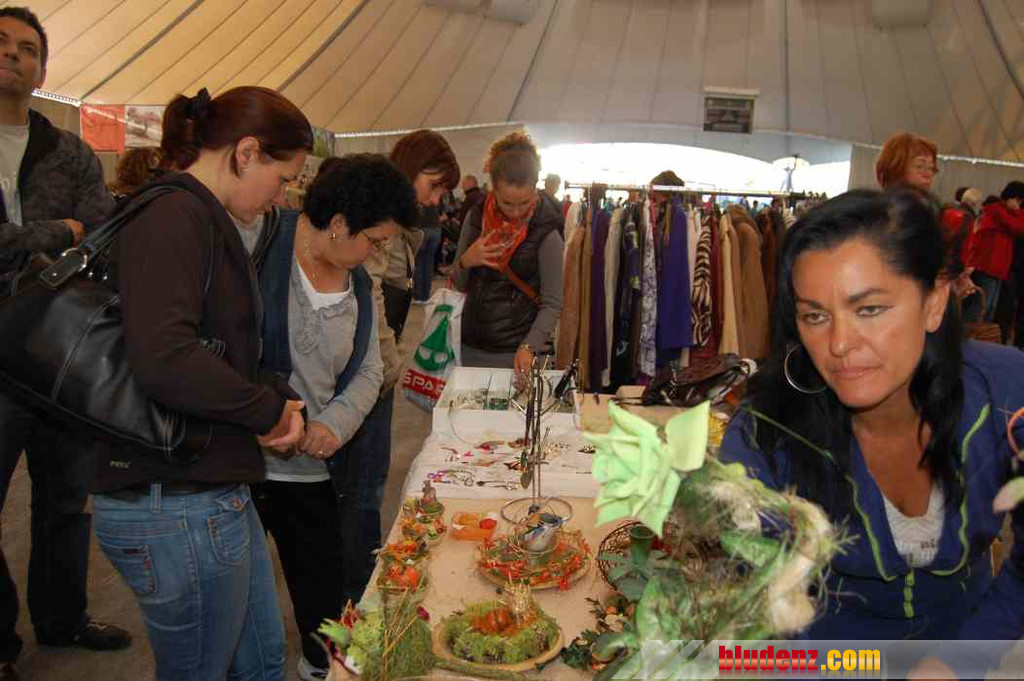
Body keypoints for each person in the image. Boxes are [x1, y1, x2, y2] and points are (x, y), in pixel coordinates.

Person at [720, 189, 1024, 679]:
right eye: (815, 315)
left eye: (869, 309)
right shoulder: (764, 435)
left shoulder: (1006, 396)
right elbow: (751, 607)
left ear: (934, 302)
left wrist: (958, 662)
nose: (839, 344)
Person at [92, 85, 311, 680]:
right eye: (283, 179)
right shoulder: (173, 215)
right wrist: (264, 411)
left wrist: (272, 395)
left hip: (207, 488)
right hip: (173, 502)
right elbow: (165, 357)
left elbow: (215, 346)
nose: (280, 197)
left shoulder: (202, 217)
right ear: (246, 152)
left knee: (261, 662)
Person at [0, 8, 130, 680]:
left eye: (28, 48)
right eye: (1, 43)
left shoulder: (69, 151)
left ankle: (62, 617)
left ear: (42, 68)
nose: (13, 55)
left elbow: (101, 233)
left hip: (57, 351)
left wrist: (68, 236)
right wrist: (57, 233)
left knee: (65, 499)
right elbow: (73, 233)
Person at [254, 154, 417, 680]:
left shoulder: (358, 283)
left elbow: (370, 370)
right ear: (340, 223)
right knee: (240, 610)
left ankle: (318, 669)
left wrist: (333, 425)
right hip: (237, 470)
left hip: (308, 471)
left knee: (322, 601)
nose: (378, 252)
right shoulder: (259, 250)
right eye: (374, 239)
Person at [338, 129, 459, 608]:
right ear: (411, 169)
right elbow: (368, 298)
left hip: (372, 367)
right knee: (362, 491)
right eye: (433, 185)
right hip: (365, 370)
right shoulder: (380, 218)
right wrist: (389, 366)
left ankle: (357, 589)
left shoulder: (399, 222)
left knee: (365, 488)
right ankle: (359, 597)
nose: (434, 199)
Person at [452, 132, 564, 377]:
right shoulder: (476, 217)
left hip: (517, 355)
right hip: (468, 347)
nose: (515, 212)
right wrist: (466, 261)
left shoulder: (546, 230)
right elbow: (457, 283)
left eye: (524, 203)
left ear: (535, 188)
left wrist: (529, 346)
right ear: (493, 188)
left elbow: (553, 302)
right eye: (507, 203)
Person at [963, 180, 1024, 323]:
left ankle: (978, 334)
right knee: (981, 307)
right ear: (1011, 197)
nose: (1018, 205)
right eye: (1018, 200)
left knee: (989, 307)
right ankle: (967, 333)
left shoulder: (1005, 213)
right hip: (986, 266)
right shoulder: (995, 211)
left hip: (998, 268)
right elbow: (1017, 227)